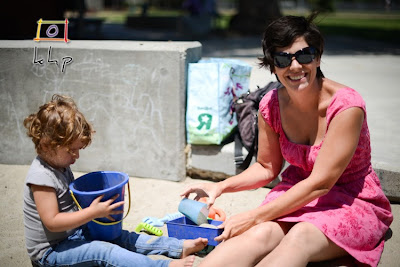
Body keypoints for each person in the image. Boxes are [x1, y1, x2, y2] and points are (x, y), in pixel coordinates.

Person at [181, 14, 393, 267]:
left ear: (317, 57)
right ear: (272, 65)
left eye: (304, 55)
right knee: (260, 234)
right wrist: (220, 187)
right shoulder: (270, 105)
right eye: (282, 58)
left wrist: (254, 216)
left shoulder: (346, 107)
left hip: (352, 200)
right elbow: (267, 167)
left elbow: (320, 184)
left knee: (299, 237)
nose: (294, 67)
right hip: (295, 193)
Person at [23, 94, 207, 267]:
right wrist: (92, 213)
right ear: (47, 145)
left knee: (118, 235)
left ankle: (177, 248)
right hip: (51, 253)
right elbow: (52, 221)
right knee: (104, 251)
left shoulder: (59, 164)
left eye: (78, 149)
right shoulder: (41, 177)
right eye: (72, 150)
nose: (77, 155)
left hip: (74, 234)